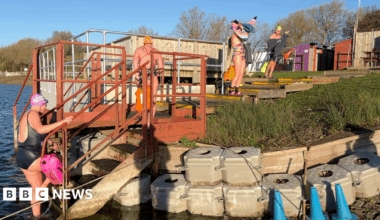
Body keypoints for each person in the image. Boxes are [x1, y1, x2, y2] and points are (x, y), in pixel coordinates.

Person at [16, 94, 74, 219]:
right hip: (32, 157)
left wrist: (50, 142)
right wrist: (63, 121)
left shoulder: (26, 115)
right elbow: (41, 129)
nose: (45, 107)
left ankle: (36, 216)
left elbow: (34, 133)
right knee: (58, 161)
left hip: (22, 157)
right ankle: (49, 184)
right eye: (45, 105)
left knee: (36, 189)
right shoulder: (34, 114)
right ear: (40, 104)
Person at [133, 36, 164, 125]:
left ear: (144, 42)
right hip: (152, 75)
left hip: (143, 74)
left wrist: (136, 74)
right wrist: (158, 74)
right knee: (152, 98)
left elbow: (135, 62)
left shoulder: (139, 50)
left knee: (143, 96)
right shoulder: (156, 51)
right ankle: (149, 121)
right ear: (151, 43)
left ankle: (144, 117)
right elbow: (161, 67)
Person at [229, 18, 256, 95]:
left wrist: (248, 25)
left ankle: (237, 89)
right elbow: (244, 36)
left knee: (241, 73)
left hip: (242, 55)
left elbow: (246, 35)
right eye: (240, 29)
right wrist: (241, 27)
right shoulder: (235, 35)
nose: (242, 30)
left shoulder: (240, 35)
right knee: (237, 73)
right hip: (237, 54)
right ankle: (231, 89)